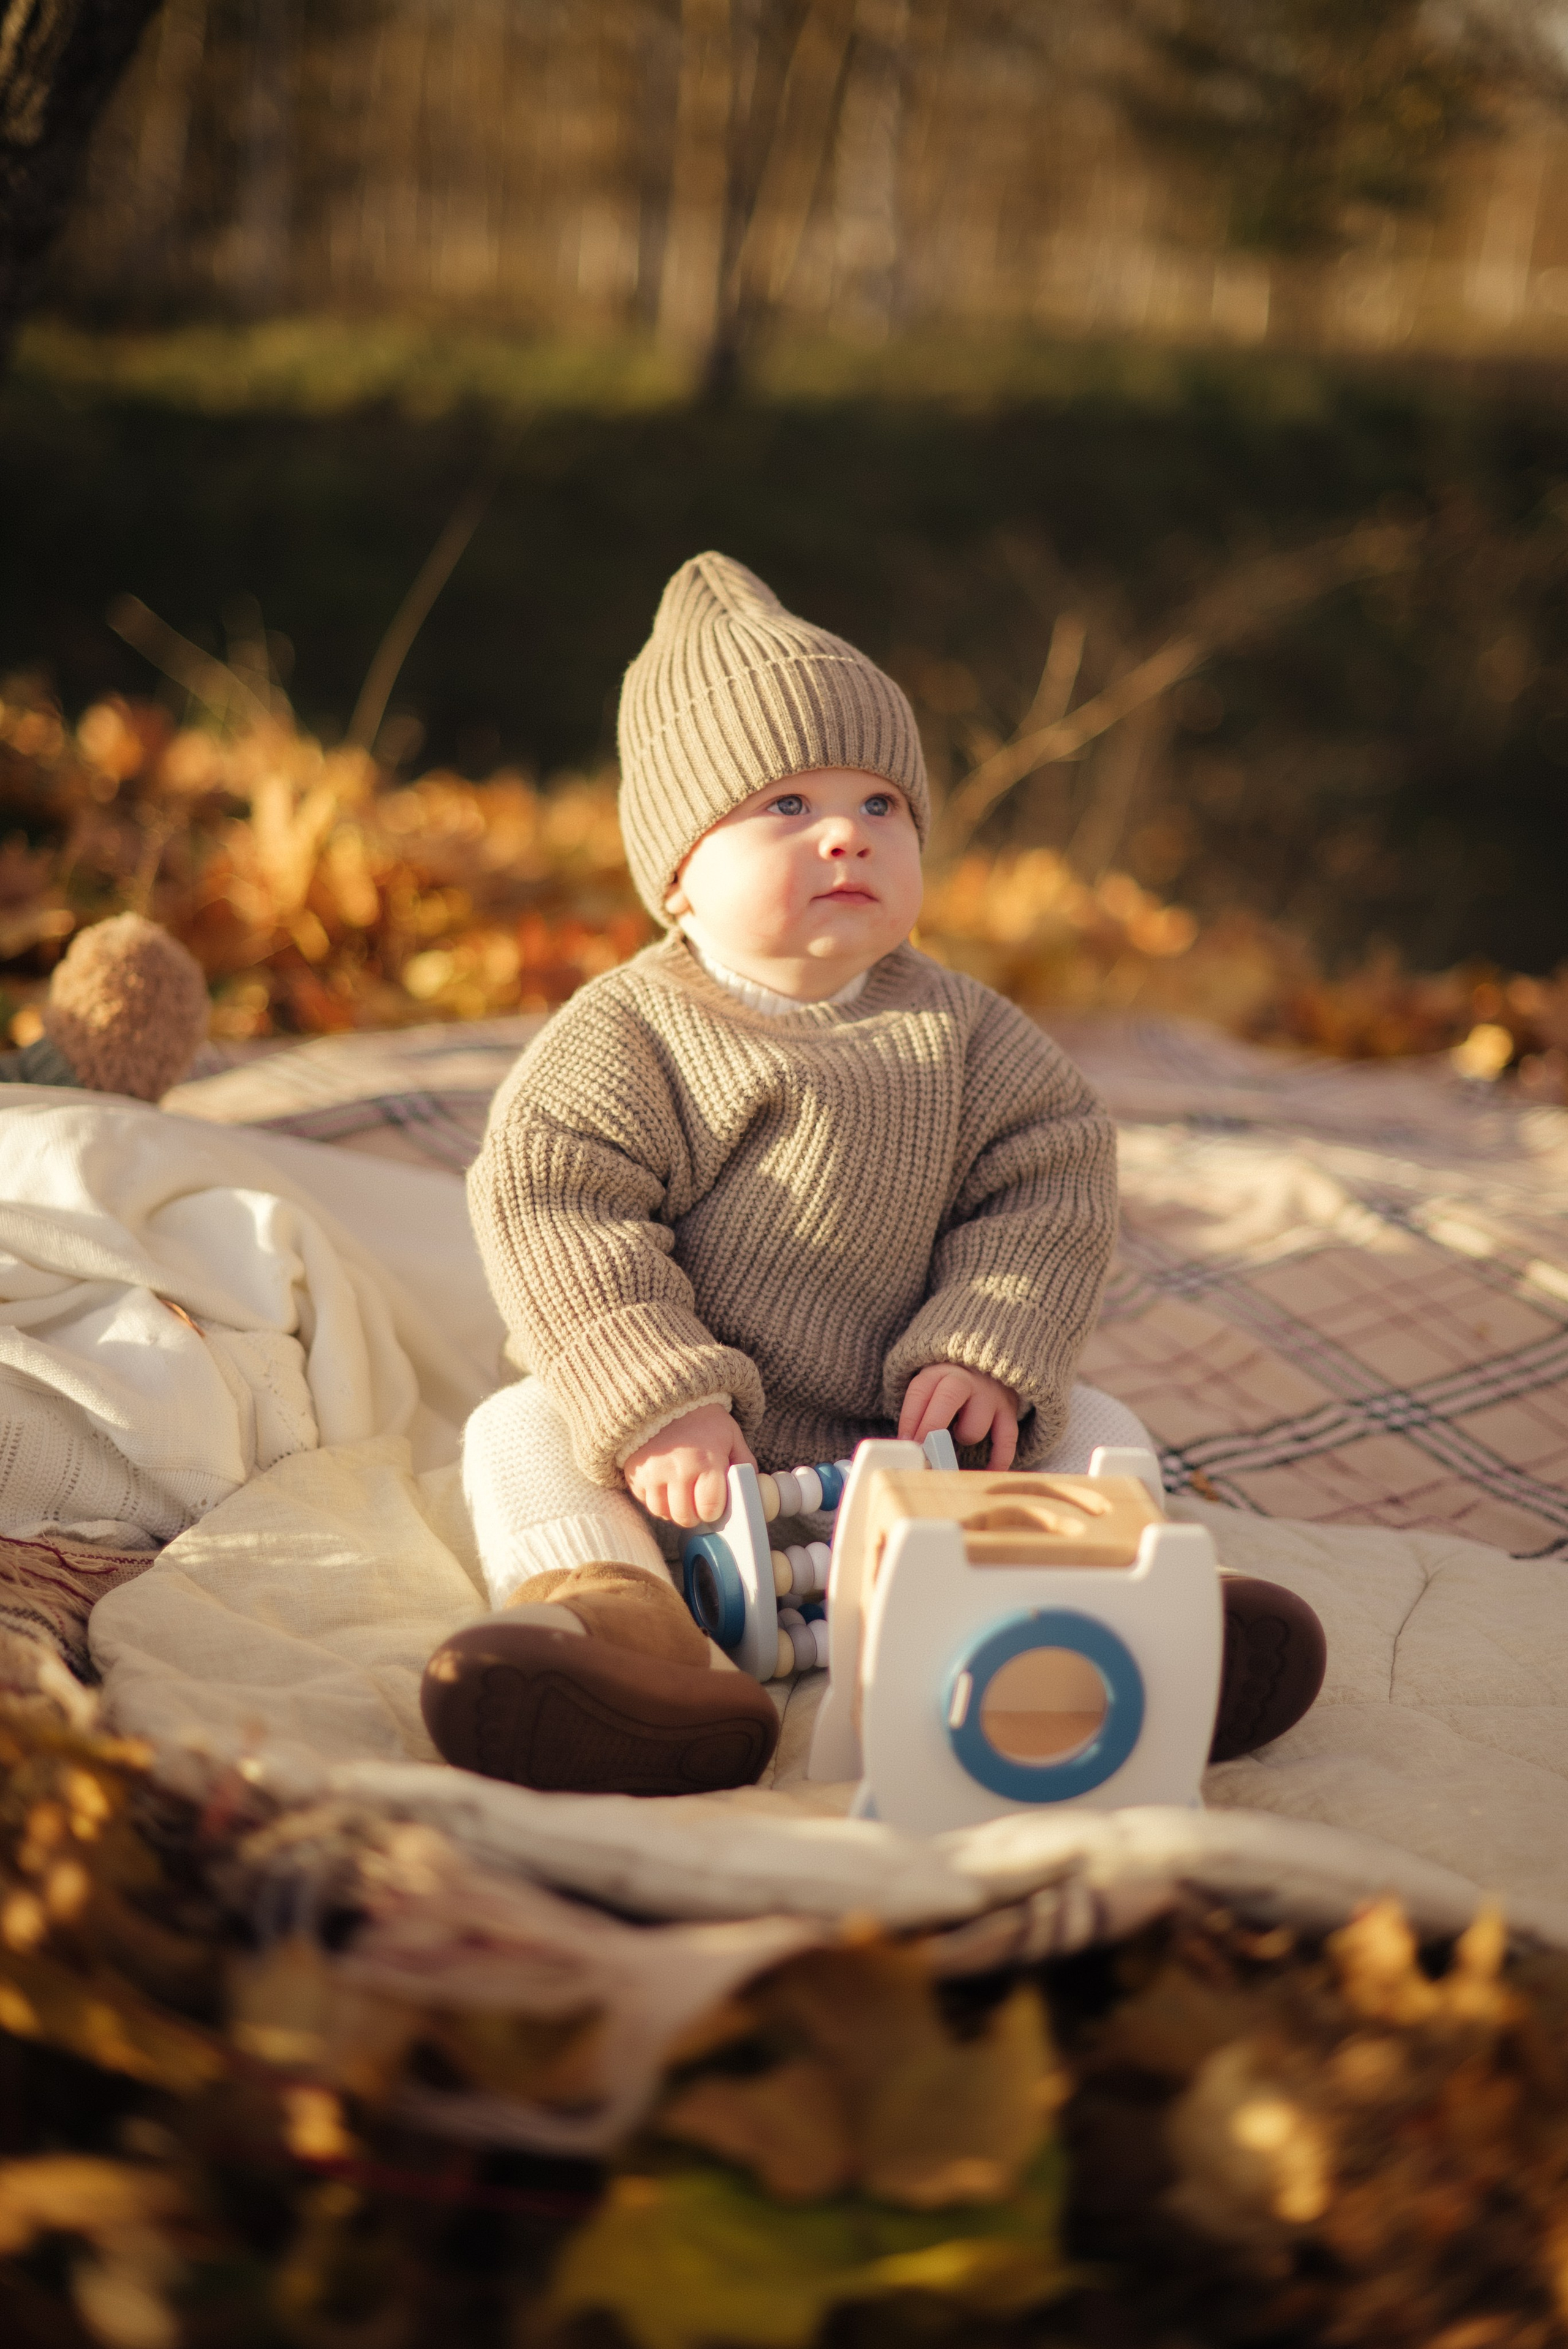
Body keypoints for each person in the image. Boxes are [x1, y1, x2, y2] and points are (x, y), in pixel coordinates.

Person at [422, 553, 1325, 1798]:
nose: (844, 830)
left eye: (880, 804)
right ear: (677, 874)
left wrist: (985, 1348)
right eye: (783, 806)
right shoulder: (627, 1034)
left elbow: (1051, 1186)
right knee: (516, 1431)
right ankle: (624, 1645)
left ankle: (1137, 1616)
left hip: (921, 1441)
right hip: (698, 1461)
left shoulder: (966, 1032)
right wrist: (653, 1398)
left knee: (1099, 1422)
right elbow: (552, 1206)